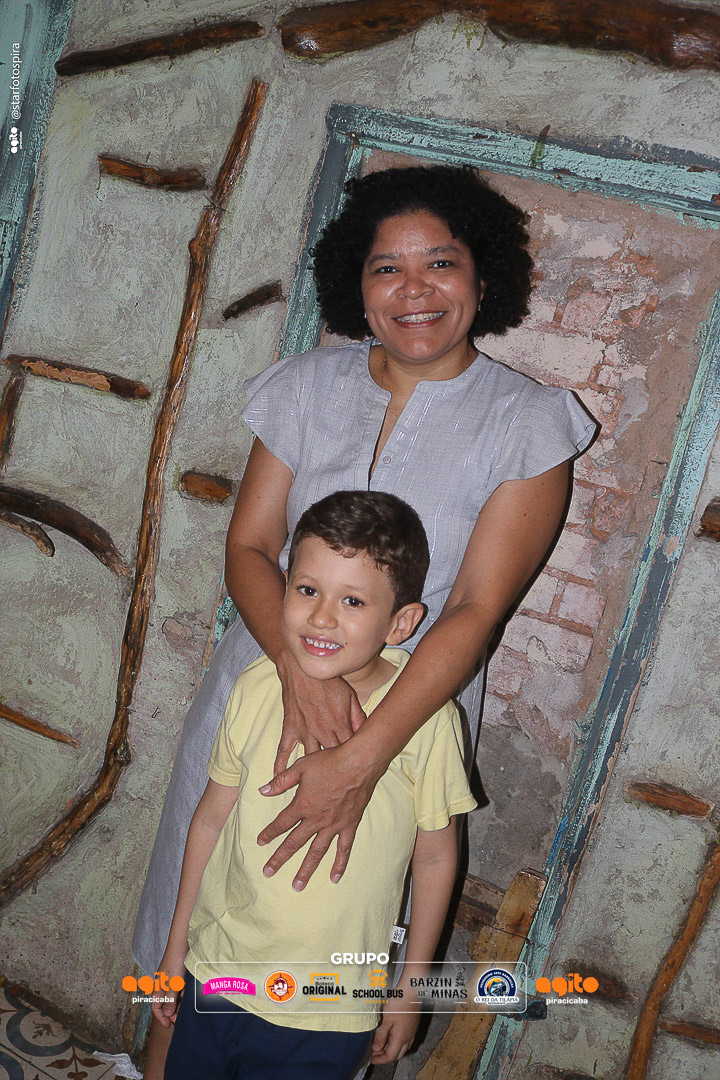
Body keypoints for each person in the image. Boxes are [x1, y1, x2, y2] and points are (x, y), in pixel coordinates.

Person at [134, 164, 596, 1076]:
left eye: (441, 263)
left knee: (326, 950)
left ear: (483, 276)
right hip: (258, 695)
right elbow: (249, 548)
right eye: (387, 267)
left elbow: (473, 611)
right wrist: (296, 678)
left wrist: (360, 757)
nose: (414, 290)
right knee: (191, 946)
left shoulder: (529, 425)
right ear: (357, 281)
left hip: (404, 727)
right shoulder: (306, 386)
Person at [153, 491, 476, 1079]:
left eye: (352, 600)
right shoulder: (256, 686)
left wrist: (410, 990)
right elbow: (209, 821)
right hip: (218, 974)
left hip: (331, 1010)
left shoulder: (429, 721)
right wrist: (176, 950)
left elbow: (434, 859)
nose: (322, 618)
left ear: (401, 622)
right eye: (307, 590)